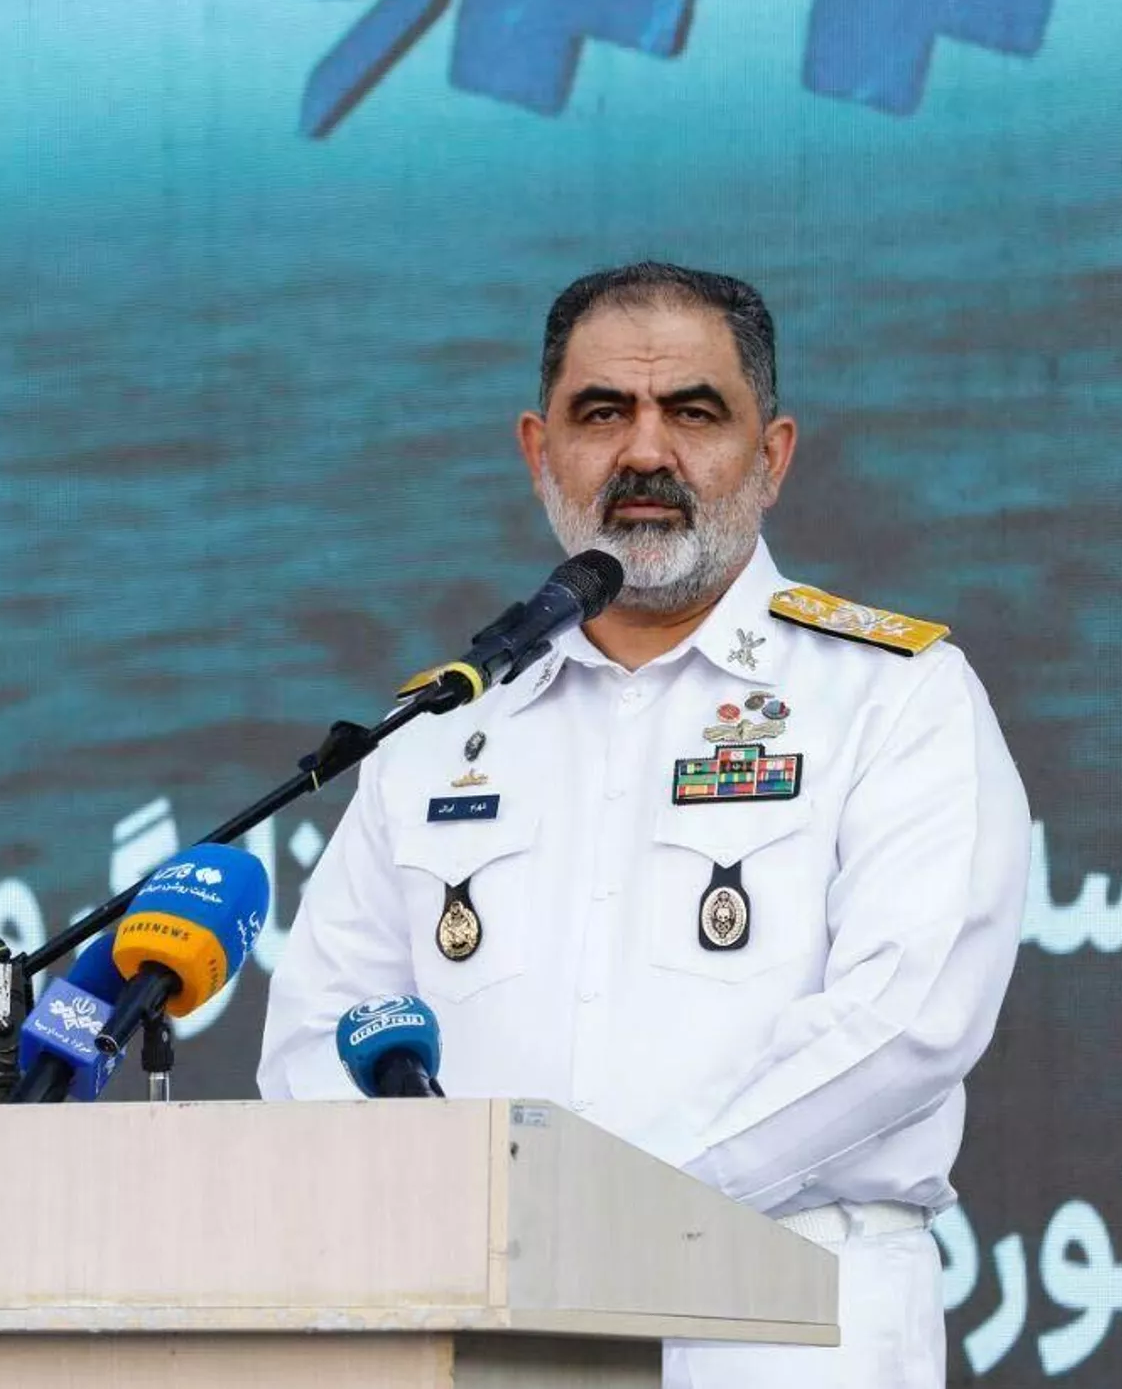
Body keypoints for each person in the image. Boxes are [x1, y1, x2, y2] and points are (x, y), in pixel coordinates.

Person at [256, 261, 1030, 1389]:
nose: (646, 452)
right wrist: (465, 1235)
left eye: (695, 413)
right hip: (482, 1329)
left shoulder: (895, 695)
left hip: (784, 1321)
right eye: (602, 412)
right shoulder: (436, 730)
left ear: (772, 455)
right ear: (539, 451)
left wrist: (612, 1214)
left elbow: (910, 1021)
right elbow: (318, 1042)